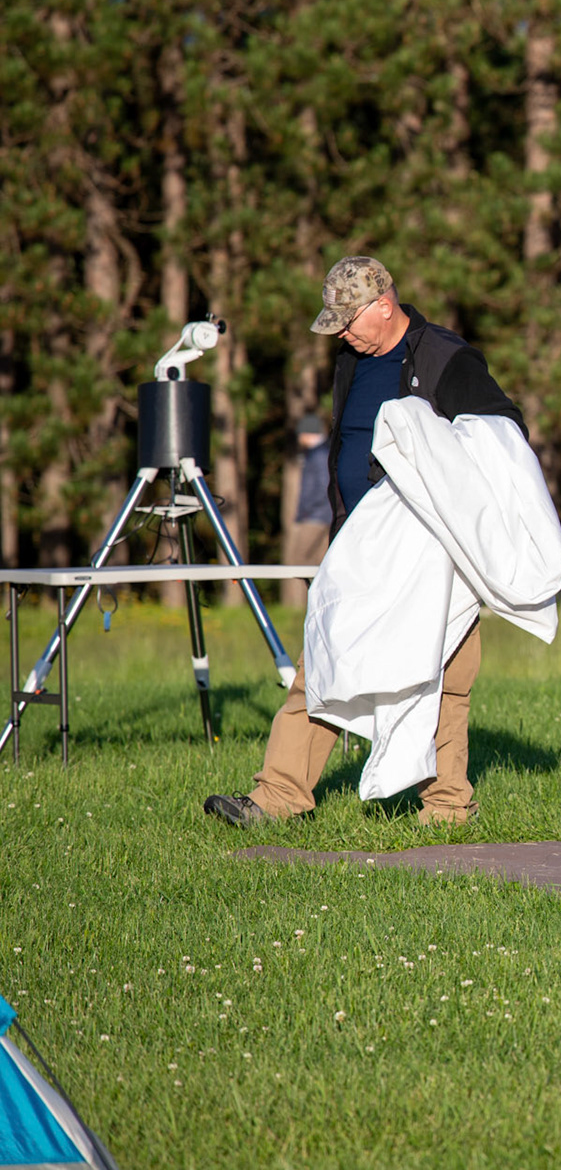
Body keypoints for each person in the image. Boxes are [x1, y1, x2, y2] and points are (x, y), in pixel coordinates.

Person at [204, 256, 525, 828]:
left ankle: (447, 807)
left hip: (430, 553)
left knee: (444, 675)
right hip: (356, 542)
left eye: (349, 321)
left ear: (384, 305)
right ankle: (276, 799)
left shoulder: (446, 358)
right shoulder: (353, 358)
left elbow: (503, 435)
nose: (341, 334)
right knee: (324, 662)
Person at [281, 413, 331, 609]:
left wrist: (307, 512)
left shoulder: (318, 455)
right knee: (318, 561)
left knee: (299, 560)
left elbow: (322, 486)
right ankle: (317, 605)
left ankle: (303, 606)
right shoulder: (321, 452)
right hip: (323, 514)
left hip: (315, 516)